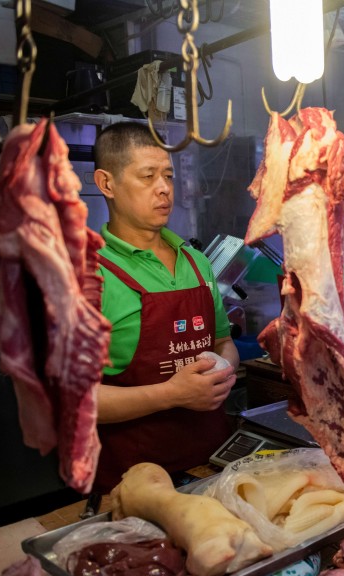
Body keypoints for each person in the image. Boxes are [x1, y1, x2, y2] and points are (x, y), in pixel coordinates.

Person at [92, 122, 239, 493]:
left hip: (213, 466)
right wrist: (173, 394)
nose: (164, 188)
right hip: (132, 481)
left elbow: (223, 343)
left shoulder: (195, 262)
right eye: (147, 176)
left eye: (168, 175)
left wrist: (222, 373)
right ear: (106, 183)